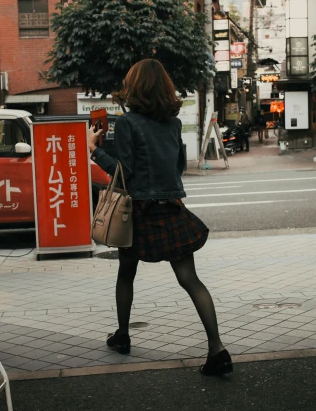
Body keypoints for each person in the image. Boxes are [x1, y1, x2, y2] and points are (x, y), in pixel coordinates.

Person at [88, 59, 232, 376]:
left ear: (134, 88)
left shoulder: (127, 123)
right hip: (171, 209)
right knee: (190, 279)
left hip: (138, 213)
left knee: (126, 273)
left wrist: (94, 149)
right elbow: (178, 168)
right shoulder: (173, 123)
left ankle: (123, 335)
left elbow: (123, 174)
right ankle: (217, 348)